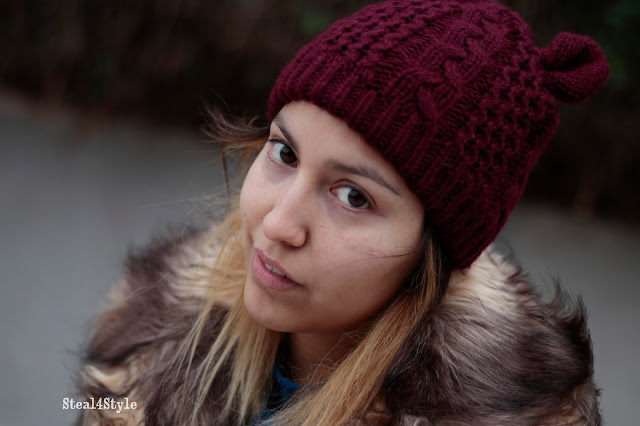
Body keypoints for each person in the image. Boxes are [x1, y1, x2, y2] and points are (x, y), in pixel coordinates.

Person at [76, 0, 609, 424]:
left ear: (435, 255)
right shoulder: (149, 345)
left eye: (354, 197)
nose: (278, 224)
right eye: (285, 154)